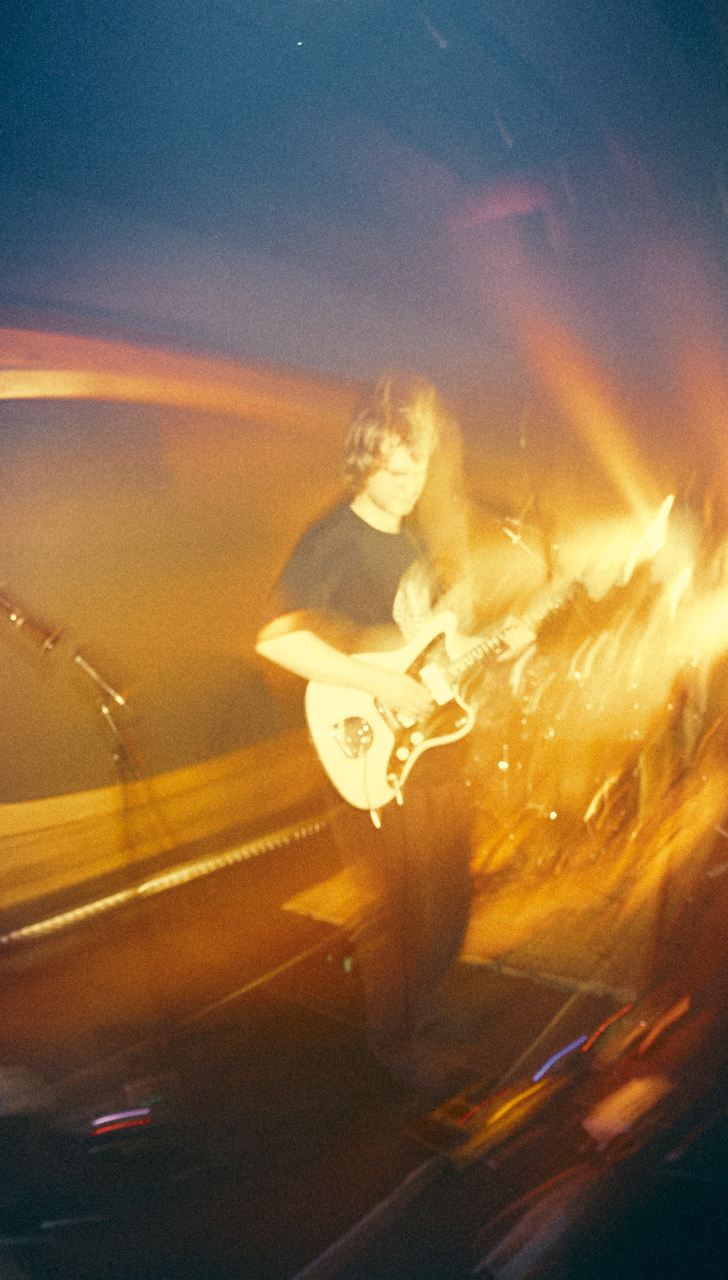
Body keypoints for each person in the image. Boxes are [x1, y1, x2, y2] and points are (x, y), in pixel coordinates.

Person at [256, 375, 486, 1091]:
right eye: (394, 469)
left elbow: (417, 646)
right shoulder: (332, 536)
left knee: (450, 893)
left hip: (429, 747)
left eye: (418, 467)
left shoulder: (412, 536)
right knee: (396, 907)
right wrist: (382, 685)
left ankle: (429, 1003)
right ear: (363, 462)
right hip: (365, 745)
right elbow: (276, 639)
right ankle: (397, 1045)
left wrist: (477, 650)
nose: (410, 483)